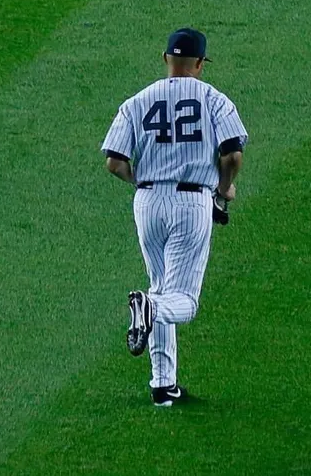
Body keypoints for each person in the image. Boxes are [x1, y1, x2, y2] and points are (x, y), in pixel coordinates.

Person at [100, 27, 247, 406]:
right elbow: (232, 155)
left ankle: (163, 385)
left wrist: (143, 183)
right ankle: (150, 308)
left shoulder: (136, 101)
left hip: (147, 202)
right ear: (199, 64)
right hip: (191, 201)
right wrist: (224, 187)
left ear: (166, 59)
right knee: (181, 301)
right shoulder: (214, 100)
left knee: (161, 284)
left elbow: (114, 163)